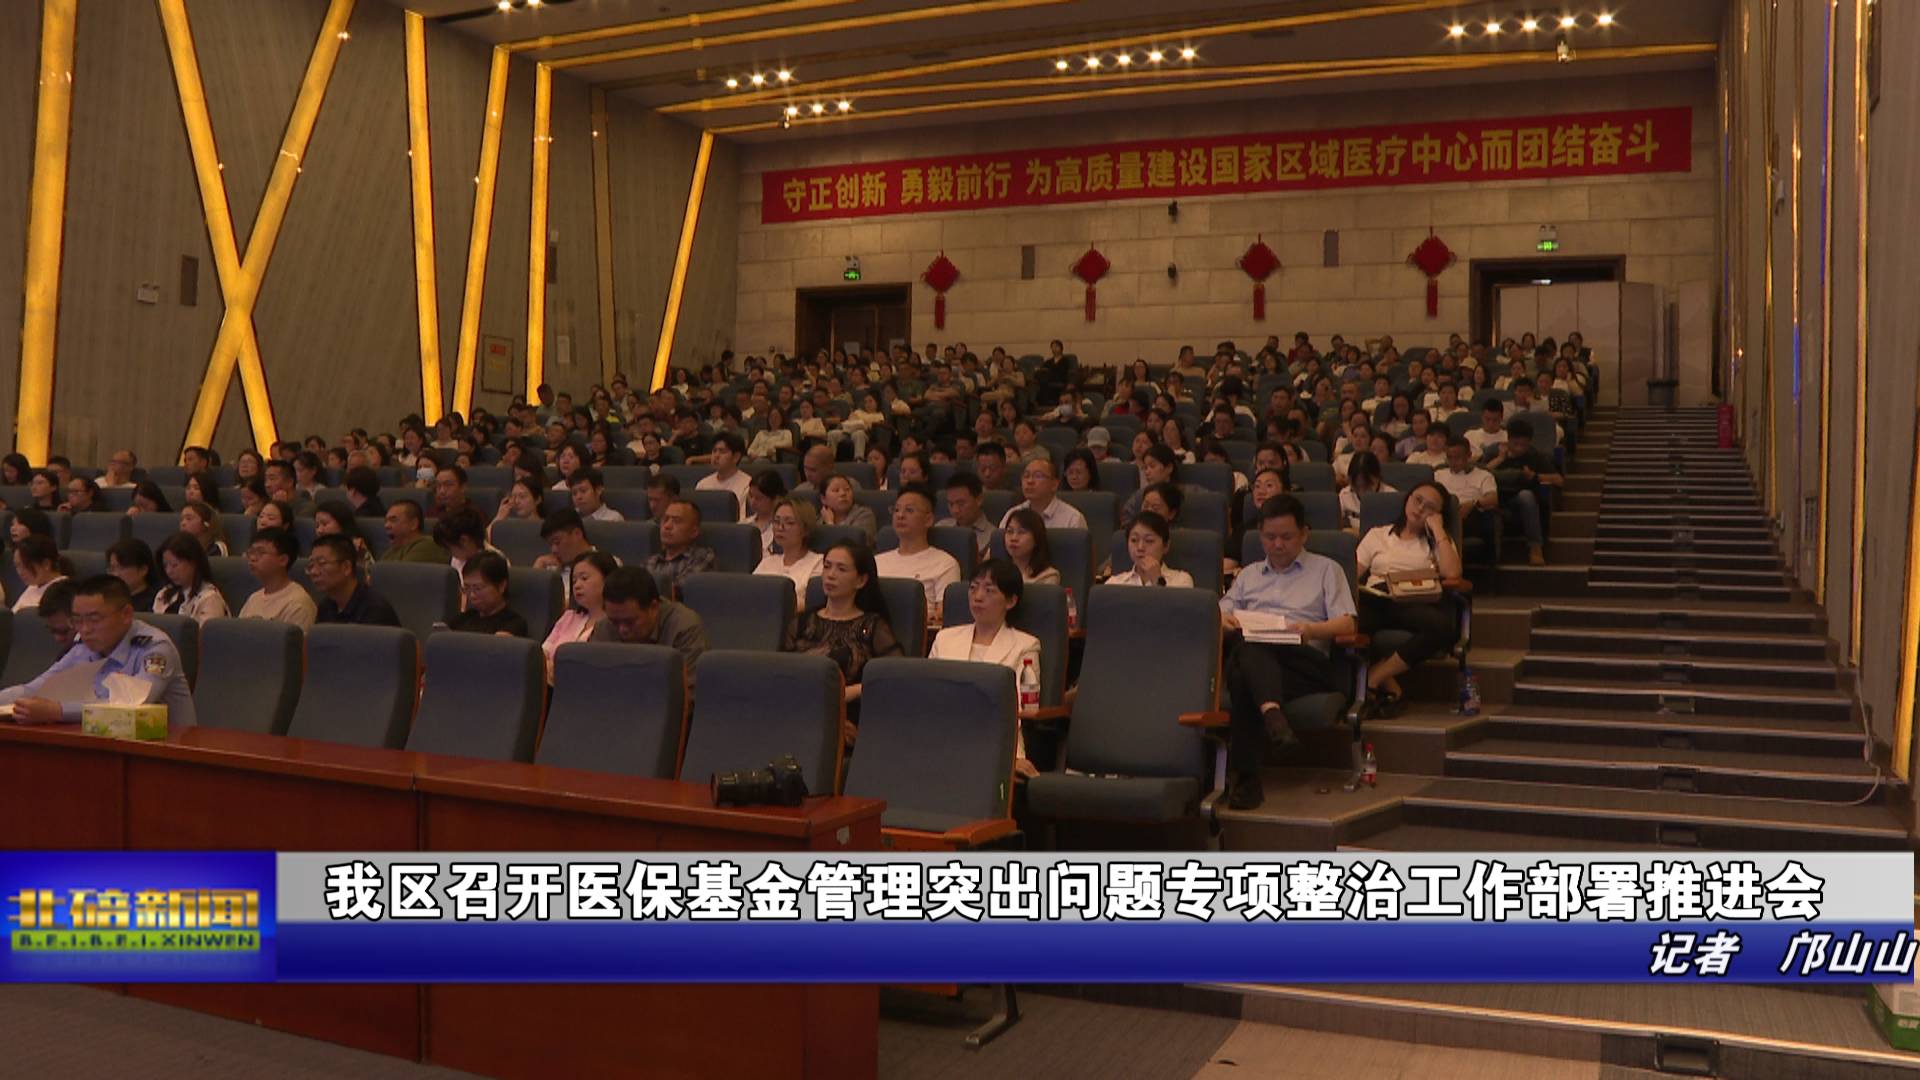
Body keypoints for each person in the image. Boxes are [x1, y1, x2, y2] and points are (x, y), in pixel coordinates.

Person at [1219, 495, 1359, 810]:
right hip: (1258, 658)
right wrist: (1224, 620)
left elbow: (1348, 623)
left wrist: (1310, 629)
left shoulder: (1326, 569)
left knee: (1244, 668)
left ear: (1304, 534)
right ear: (1260, 536)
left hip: (1305, 661)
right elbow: (1219, 612)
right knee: (1247, 660)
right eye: (1270, 537)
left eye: (1286, 536)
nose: (1278, 544)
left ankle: (1247, 779)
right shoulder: (1248, 574)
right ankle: (1273, 719)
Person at [0, 575, 197, 727]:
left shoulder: (155, 649)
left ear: (126, 614)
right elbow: (35, 688)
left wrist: (58, 711)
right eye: (77, 620)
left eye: (94, 619)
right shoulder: (84, 648)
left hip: (169, 751)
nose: (85, 629)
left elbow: (131, 706)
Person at [1355, 483, 1463, 718]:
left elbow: (1452, 573)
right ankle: (1387, 686)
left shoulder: (1438, 541)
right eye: (1418, 500)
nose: (1420, 508)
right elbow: (1352, 573)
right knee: (1347, 622)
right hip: (1377, 598)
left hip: (1414, 601)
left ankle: (1376, 677)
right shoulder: (1378, 534)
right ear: (1408, 499)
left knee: (1442, 627)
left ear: (1438, 515)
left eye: (1430, 507)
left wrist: (1438, 530)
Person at [928, 558, 1042, 779]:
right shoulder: (945, 638)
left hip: (994, 741)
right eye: (973, 588)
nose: (978, 596)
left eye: (989, 590)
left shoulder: (1025, 645)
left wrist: (1011, 757)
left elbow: (1019, 707)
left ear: (1011, 601)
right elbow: (929, 692)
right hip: (942, 736)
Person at [784, 540, 903, 746]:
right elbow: (780, 673)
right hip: (797, 713)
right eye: (827, 566)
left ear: (861, 580)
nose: (830, 575)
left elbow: (896, 676)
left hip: (847, 719)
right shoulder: (801, 622)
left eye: (841, 569)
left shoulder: (873, 626)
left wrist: (851, 692)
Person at [592, 567, 709, 688]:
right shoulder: (604, 626)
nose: (622, 629)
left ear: (653, 608)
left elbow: (688, 690)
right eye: (615, 622)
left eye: (630, 622)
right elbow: (594, 683)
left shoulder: (684, 626)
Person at [876, 485, 961, 623]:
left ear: (928, 519)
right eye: (896, 510)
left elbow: (944, 616)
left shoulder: (945, 563)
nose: (900, 515)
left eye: (909, 510)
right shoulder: (876, 562)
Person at [1484, 418, 1560, 566]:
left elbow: (1558, 479)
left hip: (1520, 499)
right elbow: (1480, 473)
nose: (1519, 448)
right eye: (1515, 444)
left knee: (1526, 496)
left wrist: (1535, 476)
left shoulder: (1534, 455)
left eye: (1523, 445)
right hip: (1496, 497)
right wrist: (1500, 459)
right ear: (1508, 440)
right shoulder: (1494, 451)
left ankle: (1535, 547)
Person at [543, 551, 616, 679]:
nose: (577, 585)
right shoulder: (568, 617)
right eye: (574, 581)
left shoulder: (615, 624)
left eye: (584, 578)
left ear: (607, 579)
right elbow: (543, 651)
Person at [310, 535, 401, 626]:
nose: (313, 572)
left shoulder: (375, 610)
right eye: (311, 565)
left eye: (322, 563)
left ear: (346, 567)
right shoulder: (325, 607)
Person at [237, 527, 316, 630]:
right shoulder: (254, 598)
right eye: (251, 552)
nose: (252, 558)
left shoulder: (298, 603)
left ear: (283, 560)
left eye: (260, 552)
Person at [754, 497, 823, 605]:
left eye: (789, 523)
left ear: (805, 529)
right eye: (776, 521)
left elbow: (810, 602)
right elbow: (750, 594)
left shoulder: (819, 563)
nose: (780, 528)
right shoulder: (767, 562)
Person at [154, 533, 229, 623]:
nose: (169, 571)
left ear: (194, 563)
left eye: (175, 565)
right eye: (165, 566)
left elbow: (207, 631)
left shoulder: (210, 599)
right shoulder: (163, 594)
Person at [447, 551, 527, 636]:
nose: (472, 595)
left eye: (478, 588)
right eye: (467, 588)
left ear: (501, 586)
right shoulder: (461, 620)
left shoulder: (513, 624)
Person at [644, 499, 716, 588]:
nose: (667, 526)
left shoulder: (703, 557)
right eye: (665, 519)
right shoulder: (651, 561)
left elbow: (679, 590)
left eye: (676, 521)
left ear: (694, 532)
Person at [1108, 511, 1193, 588]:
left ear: (1166, 546)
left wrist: (1157, 580)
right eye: (1134, 540)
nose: (1140, 547)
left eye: (1149, 541)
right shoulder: (1114, 583)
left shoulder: (1181, 580)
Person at [1000, 458, 1089, 531]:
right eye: (1026, 476)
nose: (1030, 481)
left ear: (1054, 485)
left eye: (1038, 476)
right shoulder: (1012, 514)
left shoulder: (1072, 518)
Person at [695, 432, 752, 522]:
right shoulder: (703, 484)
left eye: (722, 451)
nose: (716, 456)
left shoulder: (747, 485)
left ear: (736, 457)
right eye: (714, 451)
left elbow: (744, 520)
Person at [938, 471, 993, 561]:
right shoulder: (940, 527)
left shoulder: (992, 536)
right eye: (951, 504)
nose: (955, 510)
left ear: (979, 500)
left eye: (961, 503)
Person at [1339, 451, 1395, 534]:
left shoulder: (1392, 497)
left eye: (1367, 487)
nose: (1362, 493)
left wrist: (1359, 534)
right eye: (1357, 487)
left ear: (1377, 478)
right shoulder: (1345, 494)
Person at [1001, 507, 1059, 586]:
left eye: (1021, 532)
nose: (1013, 538)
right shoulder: (996, 572)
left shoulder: (1048, 576)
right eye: (1010, 531)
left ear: (1036, 538)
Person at [12, 536, 69, 612]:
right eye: (17, 566)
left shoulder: (64, 590)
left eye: (26, 565)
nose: (20, 572)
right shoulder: (33, 586)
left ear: (46, 564)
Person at [380, 501, 449, 564]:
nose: (386, 525)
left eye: (393, 520)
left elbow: (402, 572)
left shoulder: (427, 545)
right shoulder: (391, 552)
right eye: (386, 521)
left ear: (413, 524)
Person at [818, 473, 877, 540]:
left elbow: (853, 543)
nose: (843, 493)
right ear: (823, 499)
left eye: (847, 489)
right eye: (836, 490)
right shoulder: (819, 521)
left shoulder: (864, 515)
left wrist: (830, 523)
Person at [107, 539, 160, 612]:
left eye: (122, 568)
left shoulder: (155, 603)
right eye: (112, 569)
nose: (115, 574)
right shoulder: (108, 599)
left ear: (143, 570)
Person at [745, 470, 786, 556]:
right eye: (751, 496)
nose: (752, 502)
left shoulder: (783, 529)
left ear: (776, 499)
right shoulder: (743, 525)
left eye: (759, 498)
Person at [1465, 398, 1509, 464]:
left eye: (1495, 420)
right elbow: (1462, 460)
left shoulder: (1508, 437)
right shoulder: (1469, 436)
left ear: (1501, 418)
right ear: (1482, 416)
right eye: (1487, 419)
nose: (1491, 424)